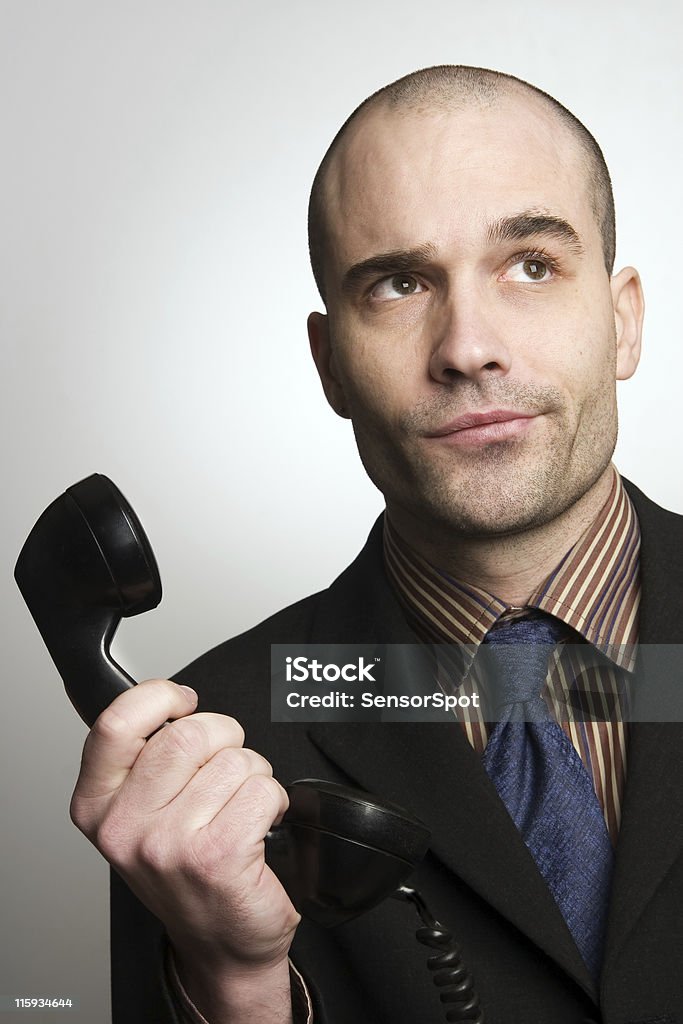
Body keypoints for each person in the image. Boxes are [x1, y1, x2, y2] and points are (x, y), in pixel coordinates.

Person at [69, 65, 683, 1024]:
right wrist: (233, 985)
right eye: (398, 284)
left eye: (530, 263)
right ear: (329, 366)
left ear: (623, 321)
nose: (467, 346)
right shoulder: (210, 753)